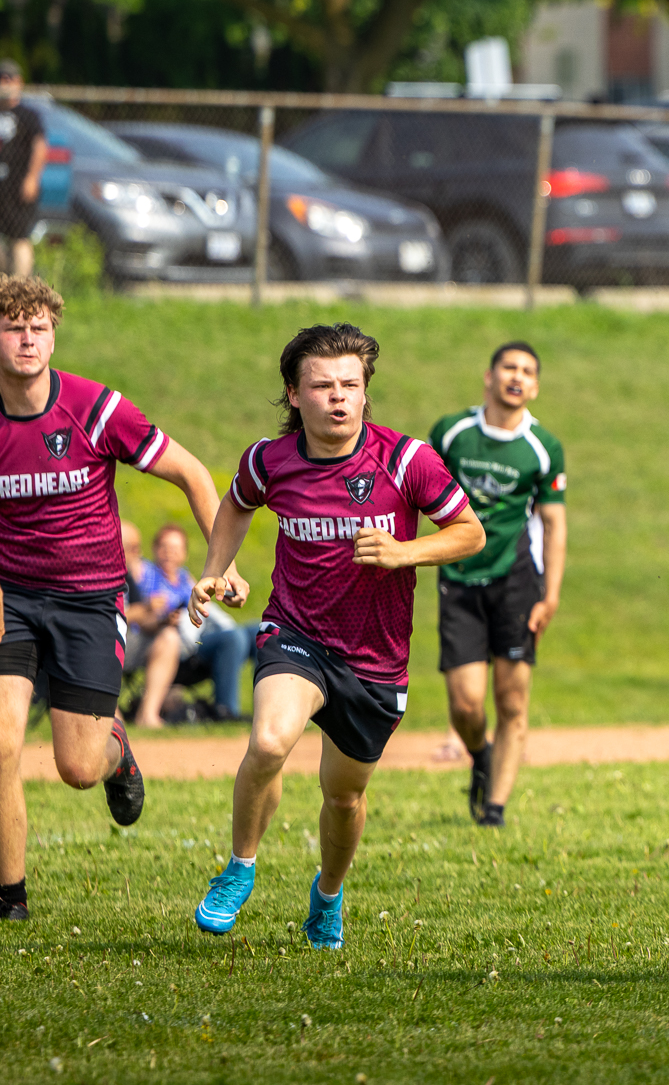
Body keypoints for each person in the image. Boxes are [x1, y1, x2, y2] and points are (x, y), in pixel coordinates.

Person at [189, 323, 483, 948]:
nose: (339, 397)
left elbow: (469, 532)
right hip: (296, 632)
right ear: (295, 395)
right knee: (269, 742)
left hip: (375, 658)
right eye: (322, 386)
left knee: (343, 798)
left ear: (365, 390)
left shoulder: (406, 460)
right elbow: (238, 503)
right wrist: (216, 569)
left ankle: (327, 896)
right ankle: (239, 868)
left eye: (350, 384)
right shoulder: (269, 461)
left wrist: (406, 552)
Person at [0, 274, 242, 921]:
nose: (26, 339)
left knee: (78, 767)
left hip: (90, 600)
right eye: (13, 328)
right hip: (8, 598)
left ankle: (116, 749)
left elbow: (192, 473)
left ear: (54, 336)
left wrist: (218, 563)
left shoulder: (95, 408)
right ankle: (12, 896)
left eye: (38, 327)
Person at [429, 342, 566, 827]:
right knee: (466, 704)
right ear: (488, 376)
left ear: (535, 386)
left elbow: (553, 524)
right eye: (509, 367)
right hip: (459, 579)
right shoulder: (451, 433)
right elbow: (420, 495)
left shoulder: (543, 447)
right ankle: (480, 755)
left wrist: (550, 595)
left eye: (528, 371)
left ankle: (495, 811)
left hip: (516, 582)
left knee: (512, 700)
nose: (517, 376)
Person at [0, 61, 48, 279]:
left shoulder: (27, 115)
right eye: (0, 78)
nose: (4, 82)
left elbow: (40, 147)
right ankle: (9, 279)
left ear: (19, 82)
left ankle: (21, 284)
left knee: (18, 237)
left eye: (10, 78)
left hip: (18, 185)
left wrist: (32, 178)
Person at [131, 524, 198, 729]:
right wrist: (148, 607)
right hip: (140, 635)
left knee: (170, 637)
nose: (169, 554)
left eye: (175, 549)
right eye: (164, 547)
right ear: (154, 549)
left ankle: (148, 715)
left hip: (179, 638)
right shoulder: (146, 572)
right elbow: (129, 554)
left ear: (184, 554)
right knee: (168, 636)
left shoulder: (187, 580)